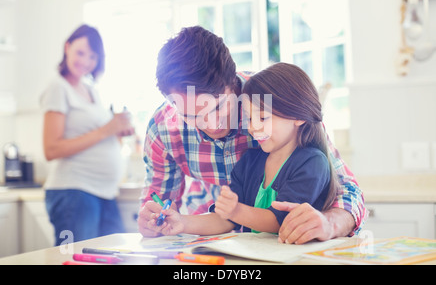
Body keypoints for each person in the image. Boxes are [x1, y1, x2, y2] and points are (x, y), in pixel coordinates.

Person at [138, 26, 366, 244]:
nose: (211, 125)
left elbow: (346, 189)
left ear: (233, 82)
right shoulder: (163, 129)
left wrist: (330, 223)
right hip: (216, 235)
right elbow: (161, 203)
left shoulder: (275, 99)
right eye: (191, 116)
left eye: (217, 107)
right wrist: (153, 220)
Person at [144, 62, 340, 236]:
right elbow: (224, 219)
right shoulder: (250, 161)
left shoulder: (312, 162)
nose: (253, 127)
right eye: (249, 118)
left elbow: (280, 221)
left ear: (299, 116)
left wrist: (235, 210)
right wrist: (182, 222)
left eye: (262, 118)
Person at [40, 24, 134, 245]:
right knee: (79, 260)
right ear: (67, 47)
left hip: (104, 192)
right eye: (80, 53)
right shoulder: (58, 87)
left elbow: (99, 134)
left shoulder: (90, 89)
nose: (85, 61)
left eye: (92, 56)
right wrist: (106, 130)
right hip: (75, 192)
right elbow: (51, 149)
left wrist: (118, 129)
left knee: (117, 256)